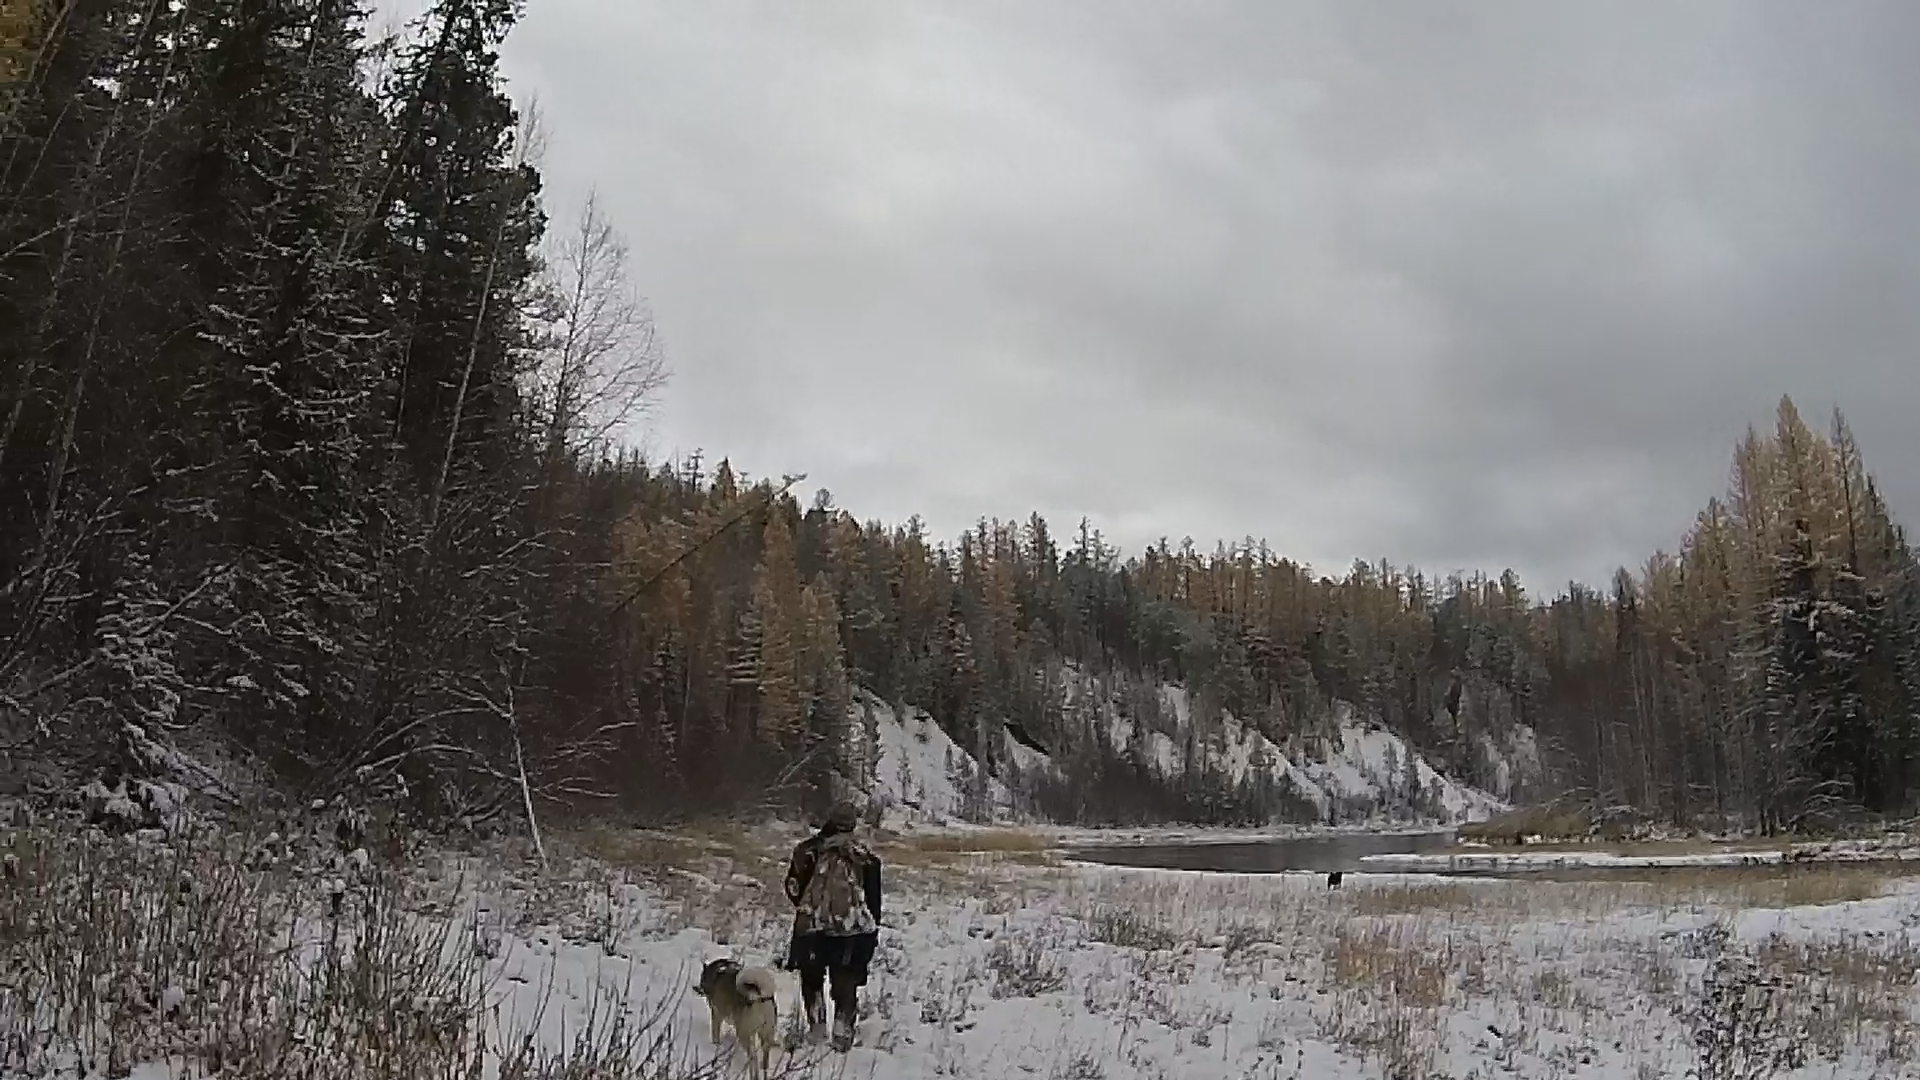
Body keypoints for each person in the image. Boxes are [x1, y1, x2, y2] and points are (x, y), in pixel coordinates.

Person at [783, 799, 882, 1052]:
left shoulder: (807, 851)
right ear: (853, 824)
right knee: (845, 981)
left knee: (812, 979)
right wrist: (870, 936)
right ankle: (842, 1034)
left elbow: (793, 888)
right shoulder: (865, 858)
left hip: (812, 929)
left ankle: (816, 1029)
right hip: (850, 932)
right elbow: (873, 902)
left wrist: (811, 911)